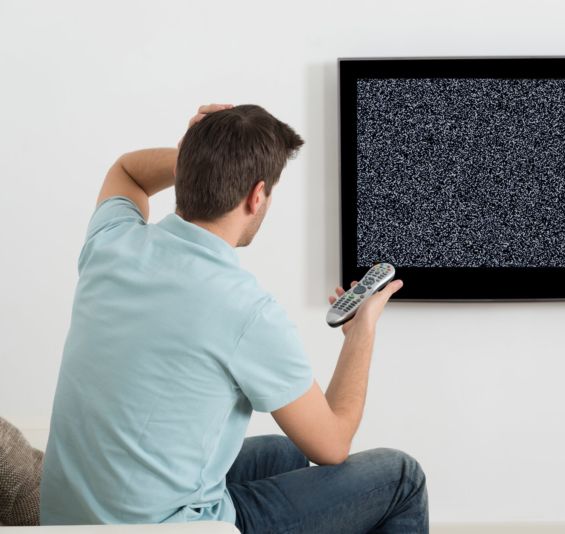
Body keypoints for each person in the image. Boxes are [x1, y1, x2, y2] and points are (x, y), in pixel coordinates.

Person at [39, 103, 428, 533]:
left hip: (70, 522)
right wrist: (362, 332)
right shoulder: (246, 310)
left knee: (284, 455)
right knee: (403, 479)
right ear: (256, 195)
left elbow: (127, 170)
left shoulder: (112, 242)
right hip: (171, 527)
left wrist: (196, 160)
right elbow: (333, 444)